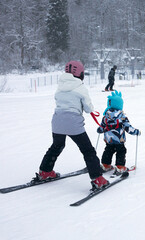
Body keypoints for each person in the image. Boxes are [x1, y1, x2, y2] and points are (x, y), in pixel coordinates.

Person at [37, 61, 109, 190]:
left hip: (57, 120)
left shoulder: (60, 86)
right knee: (87, 150)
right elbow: (88, 108)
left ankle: (45, 171)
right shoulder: (80, 87)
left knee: (56, 146)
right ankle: (97, 179)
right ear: (80, 74)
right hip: (73, 122)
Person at [97, 90, 141, 175]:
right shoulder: (122, 116)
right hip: (119, 139)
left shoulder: (106, 116)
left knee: (108, 150)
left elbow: (102, 126)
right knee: (121, 151)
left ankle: (106, 164)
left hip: (108, 139)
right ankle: (120, 166)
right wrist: (135, 132)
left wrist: (100, 130)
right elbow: (127, 127)